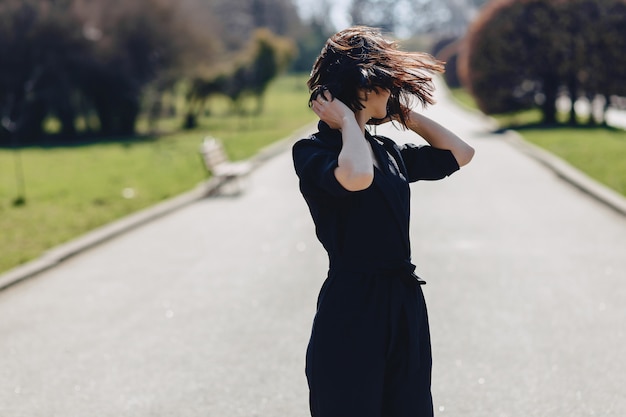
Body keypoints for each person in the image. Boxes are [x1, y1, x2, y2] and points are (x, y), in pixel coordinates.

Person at [292, 26, 474, 417]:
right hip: (352, 309)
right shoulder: (312, 151)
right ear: (364, 86)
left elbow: (460, 153)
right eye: (387, 85)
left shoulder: (386, 150)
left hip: (404, 305)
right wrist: (346, 125)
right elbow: (357, 177)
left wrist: (405, 116)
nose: (391, 93)